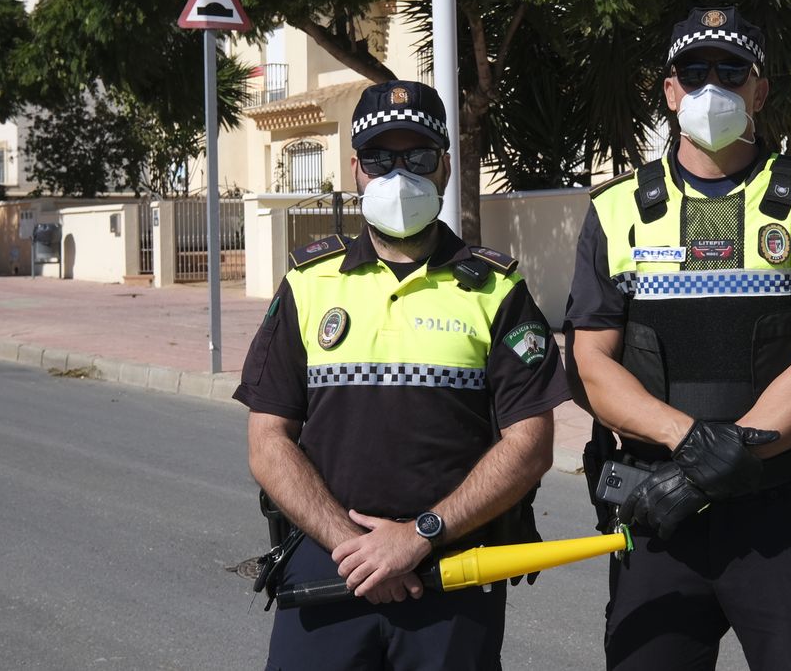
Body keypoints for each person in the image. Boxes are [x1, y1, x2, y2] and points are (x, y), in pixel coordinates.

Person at [565, 6, 791, 670]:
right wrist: (688, 444)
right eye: (694, 72)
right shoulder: (616, 210)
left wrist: (714, 467)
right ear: (670, 90)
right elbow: (590, 363)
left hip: (782, 510)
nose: (712, 87)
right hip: (658, 508)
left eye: (731, 72)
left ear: (760, 90)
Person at [234, 80, 570, 671]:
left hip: (451, 569)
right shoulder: (309, 284)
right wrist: (355, 547)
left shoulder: (497, 290)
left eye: (416, 157)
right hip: (329, 566)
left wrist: (418, 535)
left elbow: (531, 444)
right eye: (379, 159)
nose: (397, 175)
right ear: (355, 170)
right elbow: (268, 442)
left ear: (445, 166)